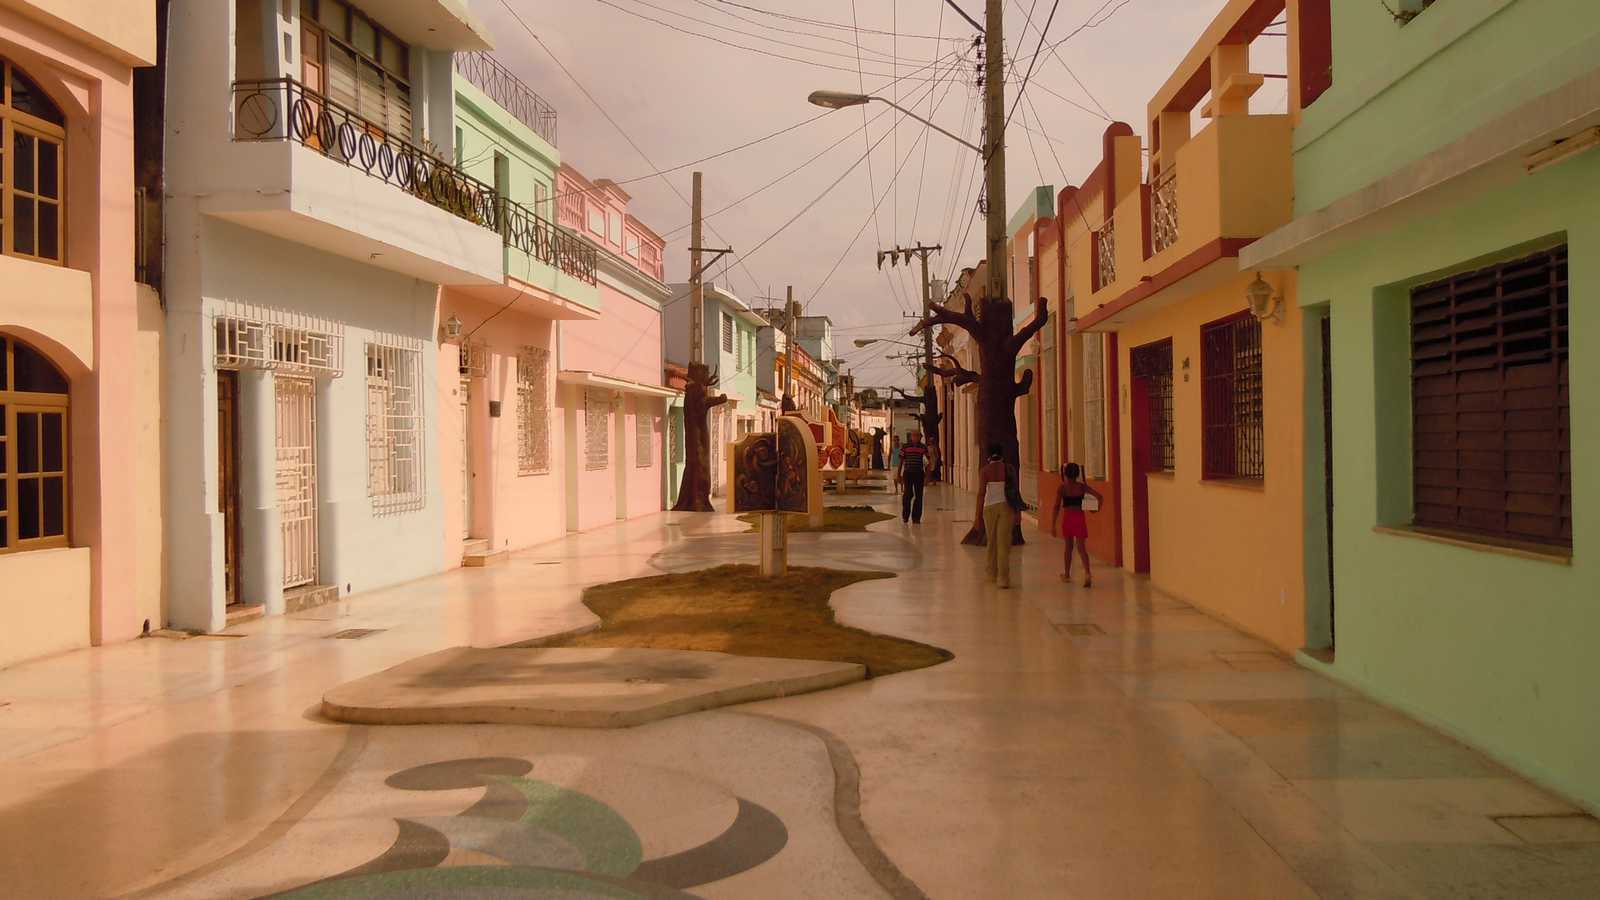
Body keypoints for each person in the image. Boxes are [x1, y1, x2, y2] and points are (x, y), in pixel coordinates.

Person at [974, 444, 1021, 588]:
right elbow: (1015, 492)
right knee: (1004, 543)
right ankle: (1003, 578)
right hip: (1007, 507)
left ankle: (991, 574)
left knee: (992, 541)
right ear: (1002, 454)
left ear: (988, 455)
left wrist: (977, 517)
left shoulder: (985, 471)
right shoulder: (1009, 469)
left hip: (989, 508)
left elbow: (981, 494)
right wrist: (1018, 513)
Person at [1049, 463, 1103, 587]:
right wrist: (1096, 509)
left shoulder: (1062, 488)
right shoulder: (1082, 487)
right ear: (1077, 474)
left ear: (1065, 474)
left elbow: (1056, 507)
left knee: (1068, 547)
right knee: (1081, 548)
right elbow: (1100, 497)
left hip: (1067, 518)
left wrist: (1053, 525)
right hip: (1079, 518)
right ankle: (1087, 573)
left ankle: (1067, 574)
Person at [898, 431, 929, 523]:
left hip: (919, 473)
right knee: (907, 494)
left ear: (920, 437)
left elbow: (927, 463)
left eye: (917, 436)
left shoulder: (923, 447)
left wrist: (927, 477)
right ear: (911, 437)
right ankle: (905, 516)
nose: (915, 437)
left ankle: (916, 518)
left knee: (919, 496)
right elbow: (901, 461)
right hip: (908, 473)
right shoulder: (905, 447)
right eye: (913, 435)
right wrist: (898, 474)